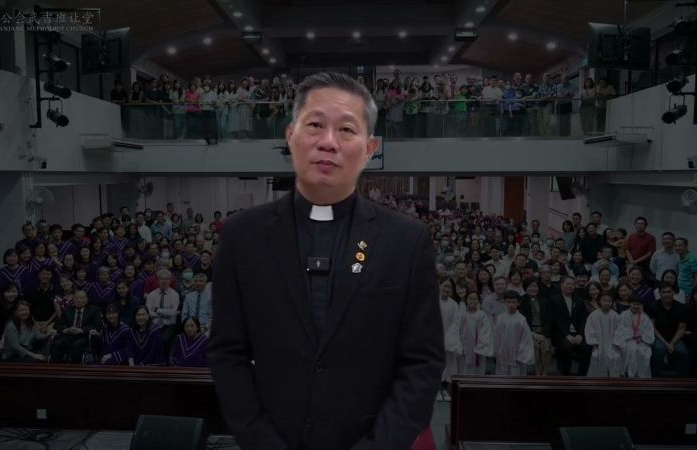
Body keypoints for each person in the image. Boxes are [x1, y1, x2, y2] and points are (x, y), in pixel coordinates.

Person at [208, 72, 444, 450]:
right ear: (290, 136)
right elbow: (227, 353)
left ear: (369, 149)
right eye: (315, 125)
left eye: (347, 130)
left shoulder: (406, 240)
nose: (328, 143)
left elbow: (423, 361)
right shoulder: (242, 236)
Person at [551, 276, 590, 375]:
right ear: (561, 285)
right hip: (561, 333)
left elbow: (583, 320)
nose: (570, 286)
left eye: (572, 284)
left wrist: (580, 334)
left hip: (577, 333)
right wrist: (566, 335)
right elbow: (555, 321)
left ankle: (582, 376)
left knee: (586, 347)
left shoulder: (579, 300)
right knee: (566, 347)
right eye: (567, 284)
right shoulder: (554, 300)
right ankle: (566, 375)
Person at [50, 290, 103, 364]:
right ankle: (54, 370)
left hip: (84, 337)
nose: (79, 300)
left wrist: (81, 330)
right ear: (73, 300)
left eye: (81, 298)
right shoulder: (67, 310)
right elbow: (57, 324)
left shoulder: (94, 310)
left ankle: (74, 370)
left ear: (86, 300)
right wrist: (66, 330)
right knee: (57, 344)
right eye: (76, 298)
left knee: (76, 345)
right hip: (69, 335)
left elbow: (97, 325)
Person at [650, 284, 689, 377]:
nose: (666, 294)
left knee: (682, 352)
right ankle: (656, 378)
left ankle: (682, 380)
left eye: (669, 292)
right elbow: (652, 327)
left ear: (673, 293)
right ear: (659, 293)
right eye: (663, 292)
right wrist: (666, 343)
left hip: (676, 337)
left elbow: (682, 328)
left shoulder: (682, 307)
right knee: (659, 349)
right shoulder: (653, 305)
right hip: (659, 336)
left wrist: (672, 343)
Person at [493, 290, 534, 375]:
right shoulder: (500, 318)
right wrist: (497, 350)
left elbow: (526, 339)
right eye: (508, 302)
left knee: (516, 374)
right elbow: (496, 336)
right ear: (504, 302)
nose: (511, 304)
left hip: (517, 355)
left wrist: (520, 353)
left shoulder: (521, 319)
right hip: (502, 353)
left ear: (518, 303)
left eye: (513, 302)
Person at [452, 291, 493, 376]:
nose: (472, 301)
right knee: (463, 369)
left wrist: (481, 344)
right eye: (470, 298)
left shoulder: (482, 314)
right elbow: (456, 330)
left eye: (475, 299)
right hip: (463, 348)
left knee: (477, 370)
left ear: (478, 301)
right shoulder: (461, 314)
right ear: (466, 300)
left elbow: (486, 331)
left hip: (478, 348)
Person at [614, 296, 654, 378]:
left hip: (642, 341)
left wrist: (641, 336)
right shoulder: (623, 315)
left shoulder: (644, 317)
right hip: (627, 340)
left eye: (638, 304)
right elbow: (620, 330)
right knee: (632, 349)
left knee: (644, 352)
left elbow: (649, 330)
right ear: (629, 304)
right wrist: (632, 335)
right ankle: (630, 376)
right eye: (634, 304)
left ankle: (642, 377)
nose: (636, 306)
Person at [584, 292, 622, 377]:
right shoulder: (593, 315)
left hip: (612, 343)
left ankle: (614, 379)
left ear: (612, 302)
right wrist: (594, 342)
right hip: (598, 343)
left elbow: (620, 330)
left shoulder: (615, 316)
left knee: (615, 356)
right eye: (604, 300)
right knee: (596, 356)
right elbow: (589, 329)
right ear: (599, 301)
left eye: (609, 301)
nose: (607, 303)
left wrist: (616, 342)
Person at [520, 280, 553, 375]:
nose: (533, 289)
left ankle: (545, 373)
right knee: (535, 347)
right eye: (530, 287)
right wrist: (533, 334)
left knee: (545, 347)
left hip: (543, 332)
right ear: (525, 288)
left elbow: (549, 320)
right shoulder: (521, 301)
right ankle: (537, 373)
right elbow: (522, 320)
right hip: (529, 332)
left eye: (535, 287)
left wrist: (543, 334)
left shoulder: (546, 301)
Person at [145, 269, 180, 350]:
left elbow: (173, 313)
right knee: (149, 339)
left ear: (170, 281)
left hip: (168, 325)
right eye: (162, 278)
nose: (164, 281)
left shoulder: (175, 295)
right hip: (154, 324)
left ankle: (165, 362)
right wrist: (163, 313)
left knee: (164, 340)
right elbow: (148, 312)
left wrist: (157, 310)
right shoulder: (151, 295)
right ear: (158, 281)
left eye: (166, 279)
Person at [439, 280, 458, 401]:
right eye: (444, 286)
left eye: (449, 287)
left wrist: (448, 339)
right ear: (439, 286)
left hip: (448, 338)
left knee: (447, 365)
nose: (446, 289)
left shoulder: (454, 305)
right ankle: (435, 391)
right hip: (433, 337)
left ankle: (444, 389)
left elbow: (455, 324)